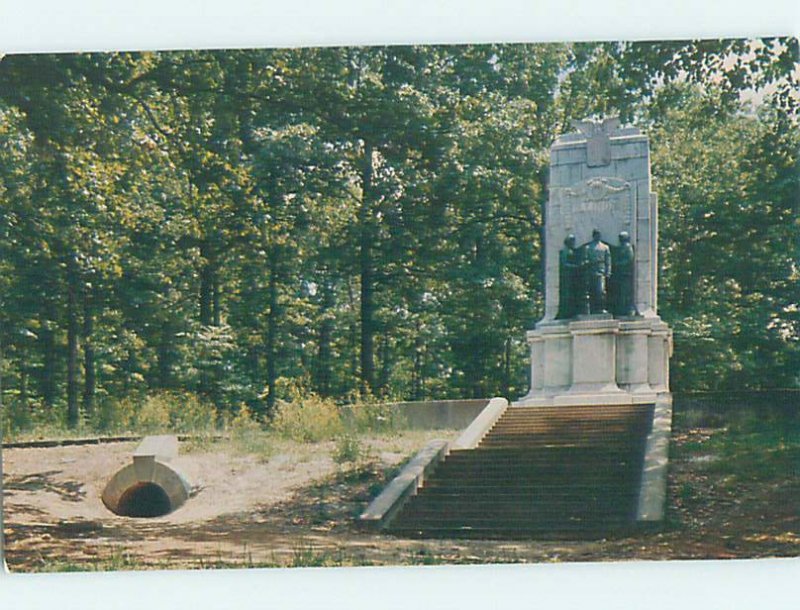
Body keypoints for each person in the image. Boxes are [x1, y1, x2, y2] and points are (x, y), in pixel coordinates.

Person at [584, 229, 611, 314]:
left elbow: (608, 261)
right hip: (591, 271)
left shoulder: (605, 247)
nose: (597, 236)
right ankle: (592, 309)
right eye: (596, 235)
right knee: (591, 291)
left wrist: (608, 271)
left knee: (601, 291)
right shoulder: (588, 247)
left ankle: (601, 308)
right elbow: (585, 259)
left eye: (598, 235)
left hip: (601, 271)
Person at [611, 231, 637, 317]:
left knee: (625, 292)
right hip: (621, 274)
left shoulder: (628, 247)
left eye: (621, 238)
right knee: (621, 292)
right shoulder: (621, 247)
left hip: (626, 273)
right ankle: (622, 309)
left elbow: (628, 260)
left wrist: (618, 264)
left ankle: (627, 309)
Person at [557, 234, 581, 319]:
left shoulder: (571, 251)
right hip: (567, 277)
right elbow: (564, 264)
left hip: (572, 276)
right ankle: (567, 312)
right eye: (572, 241)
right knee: (568, 295)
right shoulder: (565, 251)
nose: (573, 243)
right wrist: (576, 266)